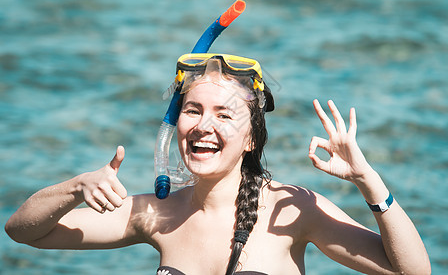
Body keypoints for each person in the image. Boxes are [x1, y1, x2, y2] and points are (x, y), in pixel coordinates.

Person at [5, 53, 430, 275]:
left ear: (250, 138)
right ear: (176, 123)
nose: (203, 126)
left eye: (224, 115)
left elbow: (411, 271)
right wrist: (76, 187)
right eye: (193, 110)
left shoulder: (292, 210)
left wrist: (368, 181)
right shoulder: (157, 213)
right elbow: (26, 232)